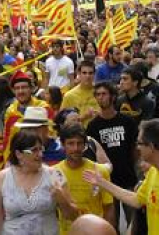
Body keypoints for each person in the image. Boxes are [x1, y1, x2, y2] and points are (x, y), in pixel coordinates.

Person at [0, 131, 77, 235]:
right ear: (18, 154)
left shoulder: (54, 174)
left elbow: (73, 216)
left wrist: (62, 200)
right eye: (34, 150)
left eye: (41, 149)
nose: (40, 154)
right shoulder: (2, 178)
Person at [84, 119, 159, 235]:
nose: (137, 147)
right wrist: (101, 182)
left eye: (139, 143)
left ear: (152, 146)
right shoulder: (153, 172)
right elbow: (137, 199)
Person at [86, 81, 140, 229]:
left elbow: (134, 149)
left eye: (104, 94)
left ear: (113, 97)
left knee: (134, 223)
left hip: (128, 178)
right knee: (110, 226)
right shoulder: (93, 125)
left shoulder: (127, 121)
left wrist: (133, 168)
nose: (100, 97)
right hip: (106, 181)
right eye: (97, 94)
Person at [54, 124, 114, 234]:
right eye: (70, 143)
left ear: (85, 145)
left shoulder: (100, 171)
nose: (75, 148)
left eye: (79, 143)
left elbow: (109, 207)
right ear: (63, 145)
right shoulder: (54, 173)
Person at [61, 60, 99, 127]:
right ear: (79, 74)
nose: (88, 76)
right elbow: (63, 122)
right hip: (78, 134)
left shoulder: (101, 92)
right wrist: (84, 116)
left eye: (90, 73)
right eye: (84, 73)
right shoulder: (69, 96)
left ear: (94, 74)